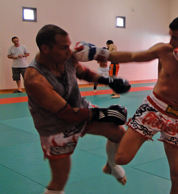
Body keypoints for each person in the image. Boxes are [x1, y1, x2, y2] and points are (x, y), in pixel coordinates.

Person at [74, 14, 178, 194]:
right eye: (170, 35)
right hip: (154, 107)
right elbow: (133, 56)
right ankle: (111, 164)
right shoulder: (164, 50)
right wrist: (100, 53)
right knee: (122, 157)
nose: (170, 41)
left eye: (175, 37)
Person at [24, 24, 131, 194]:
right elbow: (66, 114)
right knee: (60, 179)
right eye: (64, 47)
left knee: (119, 132)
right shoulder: (35, 79)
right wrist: (103, 113)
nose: (69, 51)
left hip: (79, 108)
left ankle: (111, 165)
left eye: (69, 45)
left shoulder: (66, 58)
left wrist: (108, 81)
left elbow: (83, 73)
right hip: (55, 128)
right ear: (45, 49)